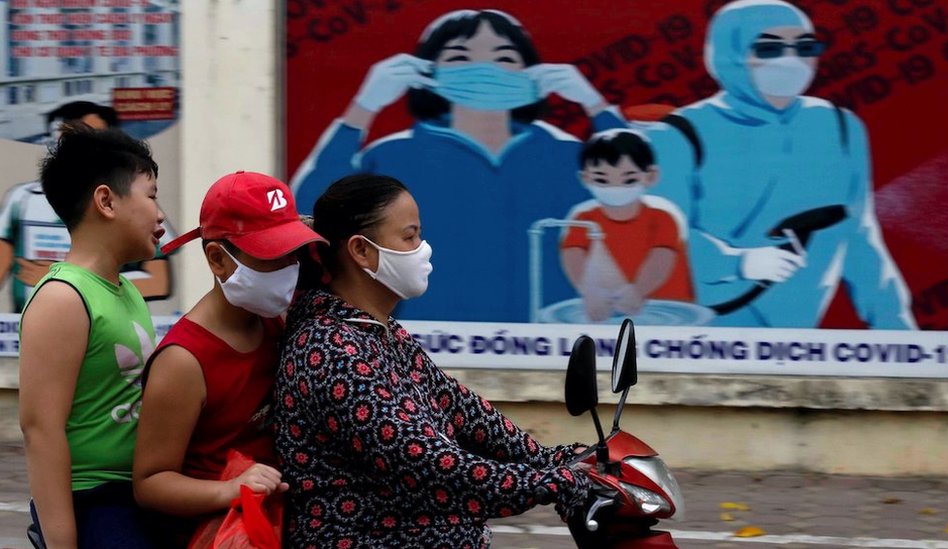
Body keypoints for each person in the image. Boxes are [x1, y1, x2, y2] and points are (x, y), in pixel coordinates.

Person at [274, 174, 590, 548]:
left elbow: (465, 411)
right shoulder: (328, 350)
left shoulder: (381, 333)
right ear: (361, 251)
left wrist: (562, 457)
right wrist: (551, 482)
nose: (423, 249)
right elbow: (425, 463)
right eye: (409, 237)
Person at [291, 9, 626, 322]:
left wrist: (594, 103)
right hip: (423, 342)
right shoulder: (393, 155)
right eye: (460, 57)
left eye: (505, 57)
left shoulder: (567, 155)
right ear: (426, 72)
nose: (486, 71)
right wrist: (363, 107)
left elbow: (642, 188)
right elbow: (313, 214)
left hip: (549, 343)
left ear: (533, 74)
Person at [644, 0, 915, 328]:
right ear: (730, 53)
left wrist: (896, 325)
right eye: (769, 49)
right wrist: (737, 263)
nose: (791, 61)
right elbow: (656, 236)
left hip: (796, 339)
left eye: (804, 47)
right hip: (706, 332)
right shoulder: (678, 136)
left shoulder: (839, 127)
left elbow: (858, 236)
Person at [132, 171, 325, 545]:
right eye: (272, 257)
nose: (289, 270)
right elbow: (150, 484)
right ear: (218, 260)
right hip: (217, 532)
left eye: (293, 254)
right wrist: (232, 489)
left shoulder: (276, 321)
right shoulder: (184, 361)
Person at [18, 123, 166, 548]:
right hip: (93, 501)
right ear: (106, 200)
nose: (160, 215)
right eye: (151, 195)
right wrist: (62, 541)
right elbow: (39, 431)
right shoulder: (62, 298)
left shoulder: (127, 291)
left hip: (138, 494)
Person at [0, 101, 174, 312]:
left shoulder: (135, 205)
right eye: (72, 141)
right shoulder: (22, 199)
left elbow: (158, 280)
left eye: (98, 140)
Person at [561, 129, 694, 322]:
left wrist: (637, 291)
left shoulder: (662, 219)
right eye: (601, 179)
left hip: (669, 313)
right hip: (610, 316)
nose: (616, 188)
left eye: (629, 179)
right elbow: (573, 255)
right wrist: (591, 292)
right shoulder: (583, 220)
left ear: (650, 176)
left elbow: (661, 258)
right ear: (585, 179)